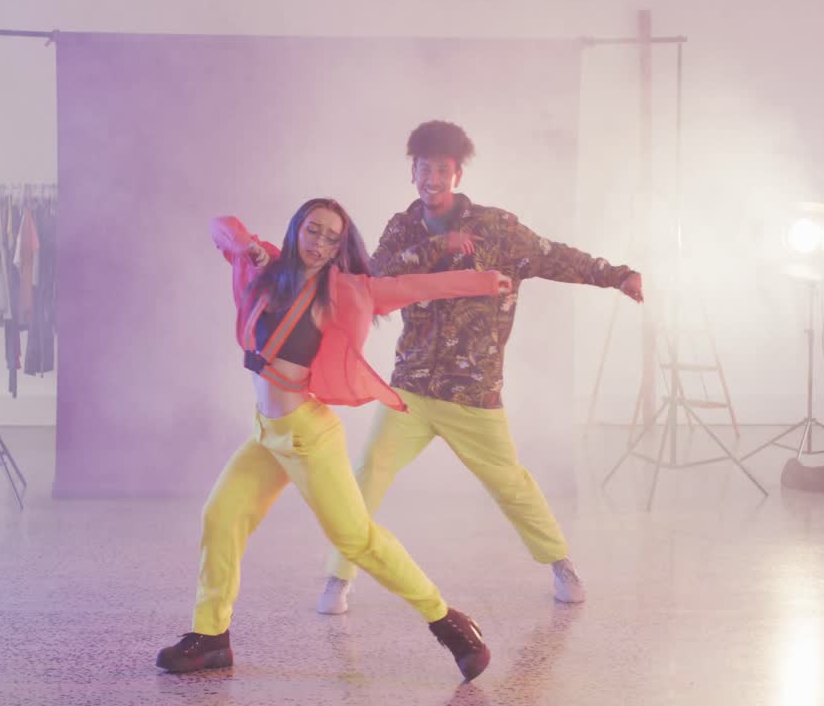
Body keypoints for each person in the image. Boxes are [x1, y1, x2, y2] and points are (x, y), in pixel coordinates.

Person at [157, 198, 514, 682]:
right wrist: (248, 247)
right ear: (295, 229)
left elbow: (409, 287)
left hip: (308, 435)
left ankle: (448, 621)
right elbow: (219, 225)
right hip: (268, 434)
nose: (321, 244)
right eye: (313, 230)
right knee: (221, 516)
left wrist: (478, 282)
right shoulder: (267, 269)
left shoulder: (344, 291)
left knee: (356, 539)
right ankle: (211, 636)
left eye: (332, 238)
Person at [318, 121, 644, 615]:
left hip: (474, 394)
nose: (431, 178)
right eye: (423, 168)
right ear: (413, 171)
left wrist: (618, 276)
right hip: (412, 389)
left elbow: (556, 257)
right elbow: (374, 278)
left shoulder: (497, 228)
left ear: (457, 172)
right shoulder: (402, 228)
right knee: (367, 474)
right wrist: (438, 247)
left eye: (441, 170)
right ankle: (337, 579)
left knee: (511, 483)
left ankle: (560, 564)